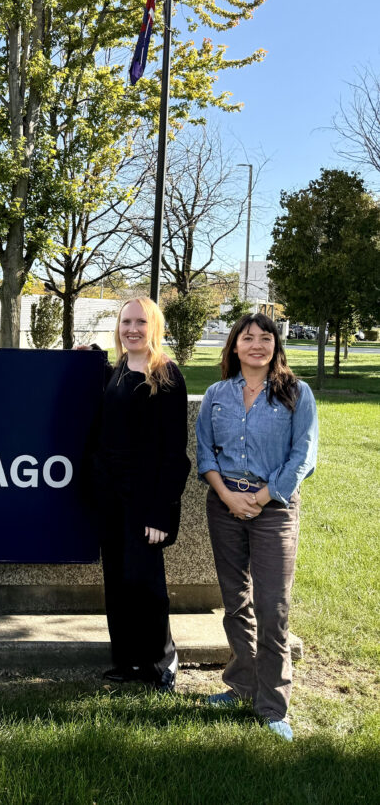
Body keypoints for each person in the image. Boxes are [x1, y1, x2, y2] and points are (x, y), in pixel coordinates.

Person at [195, 312, 317, 742]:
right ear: (234, 346)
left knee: (273, 606)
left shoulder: (296, 394)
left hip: (275, 508)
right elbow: (205, 453)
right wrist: (229, 497)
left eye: (266, 338)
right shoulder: (216, 394)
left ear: (275, 347)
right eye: (248, 338)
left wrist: (262, 498)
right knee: (235, 602)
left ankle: (272, 705)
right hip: (224, 506)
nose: (257, 345)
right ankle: (242, 683)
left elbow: (303, 456)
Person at [89, 297, 191, 692]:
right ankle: (128, 660)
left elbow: (173, 452)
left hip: (145, 498)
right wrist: (91, 357)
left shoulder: (166, 376)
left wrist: (161, 513)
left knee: (145, 582)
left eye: (140, 323)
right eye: (125, 322)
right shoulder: (115, 371)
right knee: (116, 579)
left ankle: (161, 662)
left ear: (154, 327)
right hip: (110, 497)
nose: (132, 329)